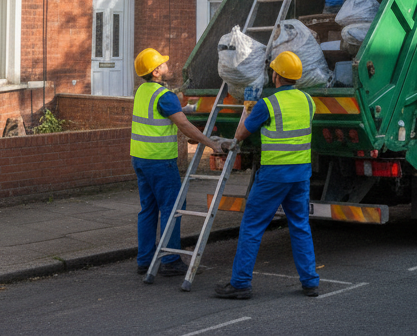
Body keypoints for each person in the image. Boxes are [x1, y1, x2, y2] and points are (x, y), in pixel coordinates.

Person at [213, 51, 319, 299]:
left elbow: (241, 134)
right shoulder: (308, 101)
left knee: (252, 225)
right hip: (300, 174)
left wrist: (249, 110)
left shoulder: (268, 104)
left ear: (276, 75)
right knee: (300, 225)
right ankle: (310, 282)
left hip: (274, 175)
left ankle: (240, 283)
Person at [131, 48, 225, 279]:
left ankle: (145, 260)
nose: (166, 66)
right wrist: (211, 144)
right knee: (172, 208)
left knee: (148, 209)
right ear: (155, 72)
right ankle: (171, 261)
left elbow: (164, 114)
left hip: (140, 159)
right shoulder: (164, 96)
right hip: (160, 161)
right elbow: (184, 126)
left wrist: (183, 109)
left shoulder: (143, 91)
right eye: (162, 64)